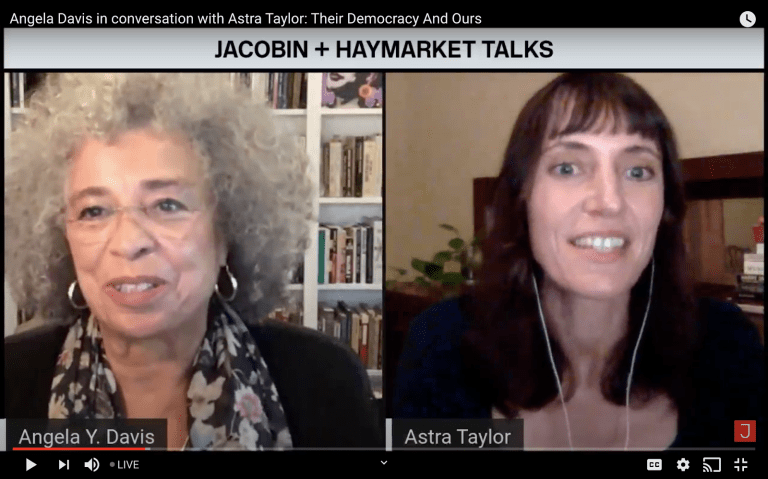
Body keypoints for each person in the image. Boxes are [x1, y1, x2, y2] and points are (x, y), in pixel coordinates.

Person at [4, 73, 382, 450]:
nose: (129, 242)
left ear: (227, 232)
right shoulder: (12, 377)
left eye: (167, 205)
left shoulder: (324, 380)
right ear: (62, 238)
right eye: (93, 210)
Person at [392, 73, 764, 450]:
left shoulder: (726, 346)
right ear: (523, 197)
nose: (609, 201)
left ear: (664, 206)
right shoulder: (442, 344)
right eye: (568, 167)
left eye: (638, 171)